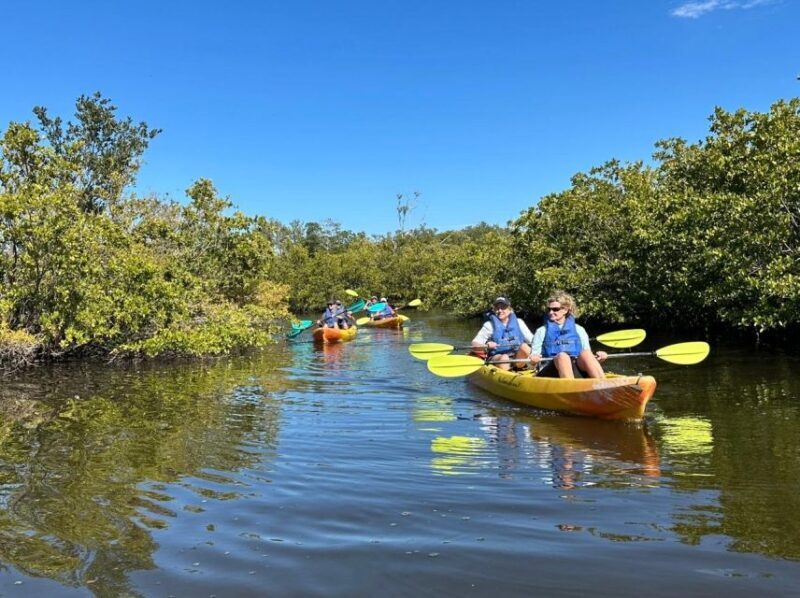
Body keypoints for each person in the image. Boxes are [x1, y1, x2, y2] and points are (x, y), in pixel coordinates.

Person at [529, 290, 607, 379]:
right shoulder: (541, 331)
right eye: (549, 309)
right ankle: (571, 389)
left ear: (565, 310)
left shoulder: (579, 330)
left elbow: (588, 356)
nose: (550, 312)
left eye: (555, 309)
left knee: (586, 353)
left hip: (574, 368)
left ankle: (604, 385)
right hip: (549, 371)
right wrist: (533, 360)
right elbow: (532, 364)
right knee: (563, 356)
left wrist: (599, 358)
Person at [471, 297, 533, 370]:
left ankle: (534, 368)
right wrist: (486, 345)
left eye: (503, 307)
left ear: (510, 310)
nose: (500, 310)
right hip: (497, 357)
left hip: (516, 357)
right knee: (504, 358)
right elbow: (474, 344)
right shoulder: (489, 325)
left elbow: (533, 341)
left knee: (525, 347)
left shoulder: (519, 322)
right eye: (497, 308)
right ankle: (508, 377)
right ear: (494, 310)